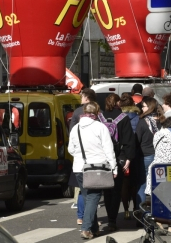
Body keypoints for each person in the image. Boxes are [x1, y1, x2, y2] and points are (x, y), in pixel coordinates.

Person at [68, 102, 117, 239]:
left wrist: (80, 155)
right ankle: (86, 228)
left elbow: (70, 149)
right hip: (97, 167)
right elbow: (108, 149)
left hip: (79, 167)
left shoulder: (76, 128)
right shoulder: (100, 127)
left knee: (89, 197)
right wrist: (114, 167)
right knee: (94, 197)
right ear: (97, 113)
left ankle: (94, 229)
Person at [100, 93, 136, 232]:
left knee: (106, 191)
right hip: (118, 157)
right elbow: (128, 140)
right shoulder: (123, 118)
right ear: (118, 103)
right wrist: (128, 158)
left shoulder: (100, 117)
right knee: (116, 190)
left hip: (102, 158)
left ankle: (108, 215)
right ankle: (112, 220)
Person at [119, 94, 141, 221]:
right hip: (136, 153)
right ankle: (135, 208)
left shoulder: (119, 118)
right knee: (135, 183)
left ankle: (126, 209)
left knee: (124, 184)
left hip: (123, 153)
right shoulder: (138, 118)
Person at [134, 96, 158, 208]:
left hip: (145, 155)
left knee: (142, 184)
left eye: (143, 106)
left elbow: (137, 139)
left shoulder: (143, 122)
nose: (141, 109)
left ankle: (141, 212)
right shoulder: (160, 120)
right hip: (158, 155)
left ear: (149, 107)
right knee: (156, 185)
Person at [144, 112, 171, 195]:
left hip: (157, 166)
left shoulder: (157, 134)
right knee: (167, 192)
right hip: (169, 168)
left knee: (158, 190)